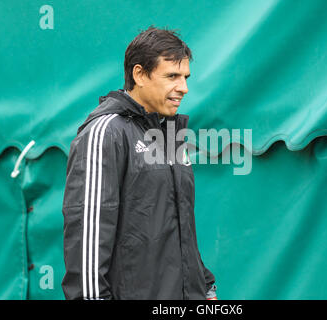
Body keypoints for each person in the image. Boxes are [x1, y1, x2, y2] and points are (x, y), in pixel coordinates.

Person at [61, 26, 217, 300]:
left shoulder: (170, 136)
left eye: (185, 77)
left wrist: (204, 287)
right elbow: (87, 245)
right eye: (172, 76)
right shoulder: (105, 133)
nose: (184, 88)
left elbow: (181, 231)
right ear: (139, 74)